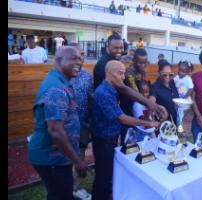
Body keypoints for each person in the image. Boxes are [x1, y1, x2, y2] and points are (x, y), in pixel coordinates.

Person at [91, 60, 160, 200]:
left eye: (124, 73)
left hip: (109, 137)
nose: (123, 77)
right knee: (103, 176)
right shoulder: (104, 93)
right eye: (120, 73)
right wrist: (148, 122)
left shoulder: (112, 88)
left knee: (107, 173)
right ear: (109, 73)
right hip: (103, 140)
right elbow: (121, 118)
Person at [27, 46, 89, 200]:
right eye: (73, 58)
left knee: (57, 194)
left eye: (80, 59)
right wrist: (77, 161)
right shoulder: (56, 89)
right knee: (61, 195)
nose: (79, 62)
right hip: (52, 158)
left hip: (59, 156)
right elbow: (55, 131)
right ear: (58, 61)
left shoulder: (61, 81)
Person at [93, 33, 167, 123]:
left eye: (121, 47)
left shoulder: (114, 60)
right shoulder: (104, 65)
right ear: (108, 46)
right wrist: (150, 104)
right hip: (106, 111)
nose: (119, 50)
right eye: (116, 48)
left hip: (114, 107)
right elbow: (123, 87)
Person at [68, 43, 93, 200]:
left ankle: (76, 187)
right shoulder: (62, 74)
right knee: (65, 158)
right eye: (77, 55)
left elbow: (90, 97)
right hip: (65, 126)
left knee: (80, 155)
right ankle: (65, 189)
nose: (81, 58)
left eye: (83, 54)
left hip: (83, 124)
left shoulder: (86, 75)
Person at [119, 48, 149, 145]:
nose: (143, 65)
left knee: (139, 141)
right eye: (140, 63)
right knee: (128, 141)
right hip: (128, 109)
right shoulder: (129, 74)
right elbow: (135, 93)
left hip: (138, 108)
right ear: (134, 61)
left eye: (145, 63)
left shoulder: (143, 72)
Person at [150, 60, 179, 124]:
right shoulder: (155, 87)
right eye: (164, 74)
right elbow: (151, 102)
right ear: (159, 73)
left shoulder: (172, 82)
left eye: (170, 74)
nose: (167, 77)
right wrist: (159, 107)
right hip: (163, 123)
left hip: (174, 119)